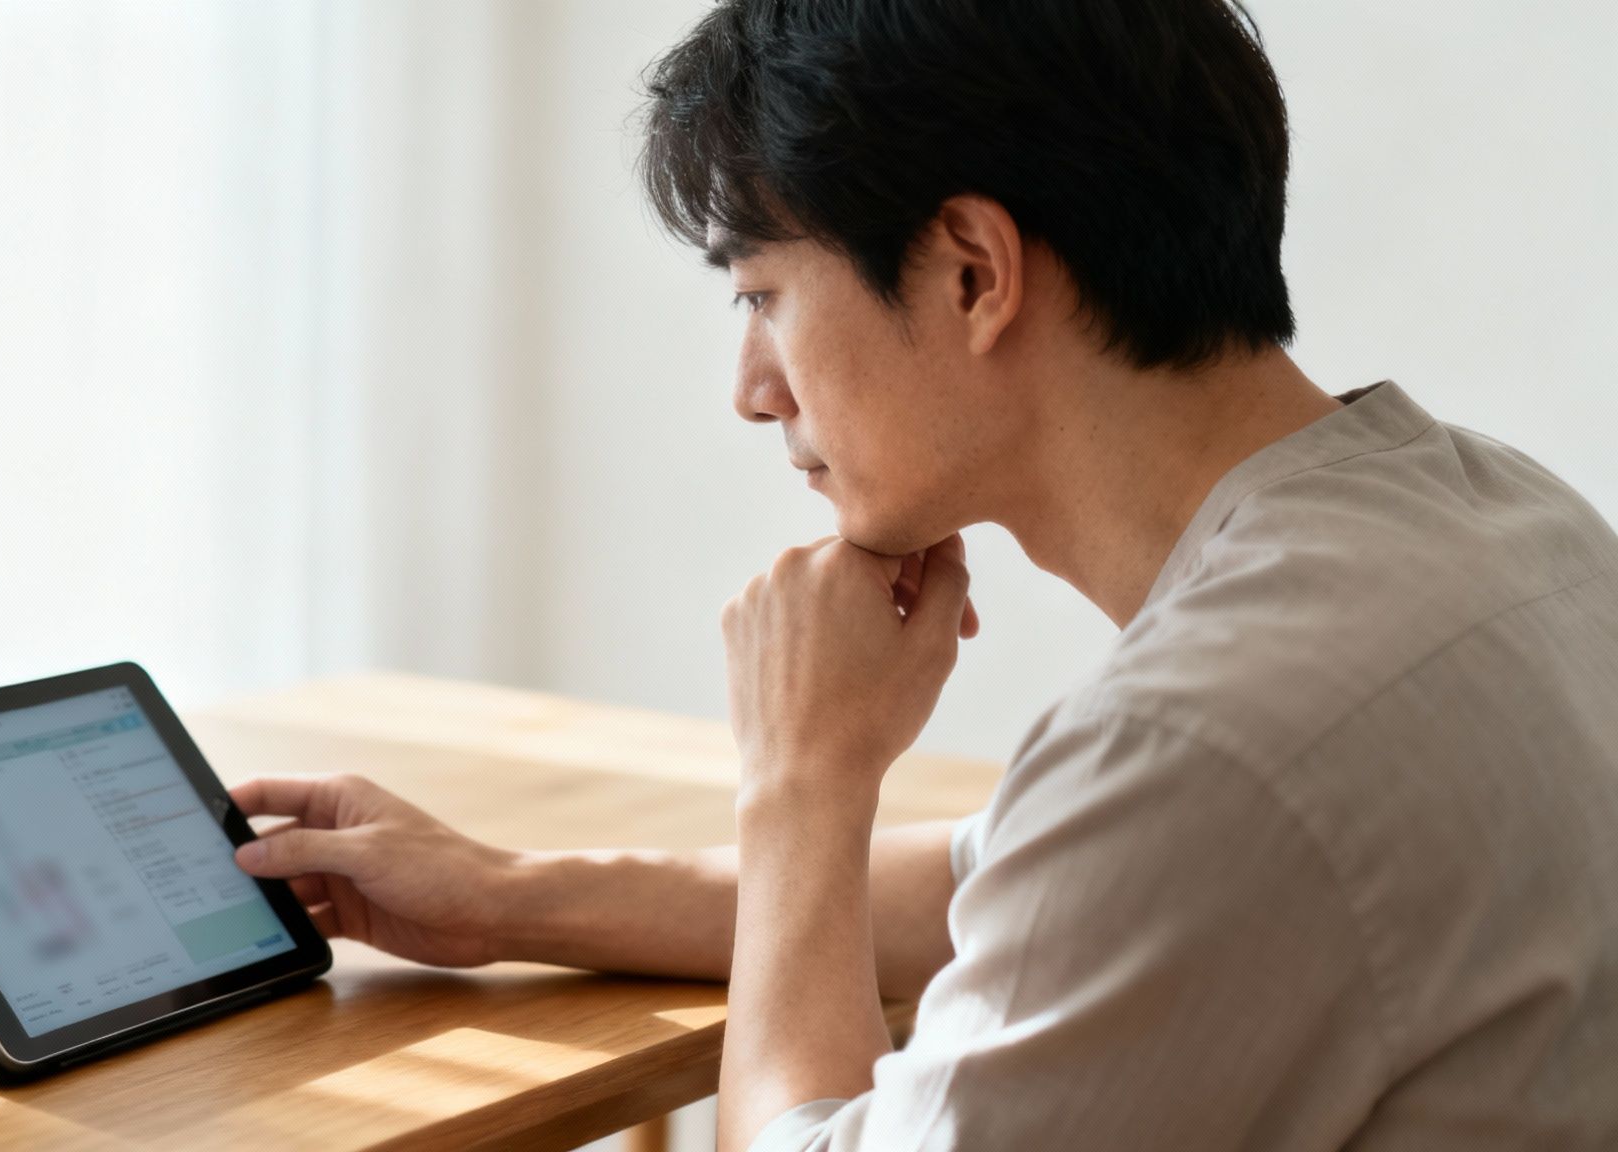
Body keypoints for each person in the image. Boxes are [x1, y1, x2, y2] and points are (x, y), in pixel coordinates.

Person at [230, 1, 1618, 1148]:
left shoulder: (1203, 744)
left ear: (970, 272)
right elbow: (992, 887)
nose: (751, 390)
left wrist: (803, 783)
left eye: (762, 294)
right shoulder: (1507, 519)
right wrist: (508, 893)